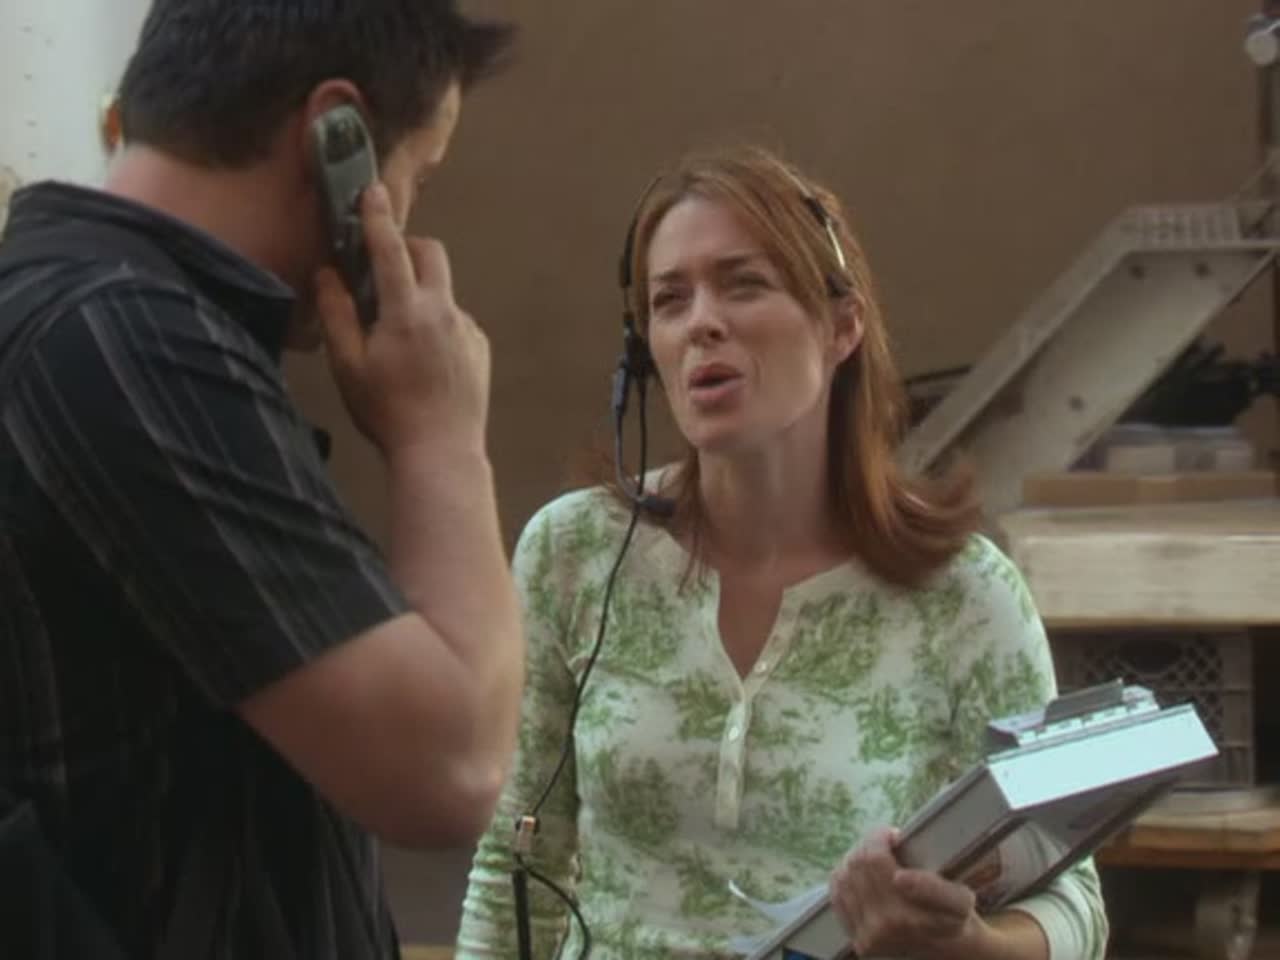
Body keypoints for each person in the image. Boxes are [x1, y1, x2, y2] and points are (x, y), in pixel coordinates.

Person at [456, 145, 1109, 959]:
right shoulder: (575, 552)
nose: (702, 322)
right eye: (670, 299)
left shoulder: (964, 593)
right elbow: (512, 867)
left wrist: (968, 946)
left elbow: (1075, 905)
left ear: (843, 326)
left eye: (743, 285)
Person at [0, 2, 524, 957]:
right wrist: (443, 438)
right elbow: (450, 768)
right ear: (338, 136)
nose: (409, 215)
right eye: (418, 172)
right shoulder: (130, 337)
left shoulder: (94, 317)